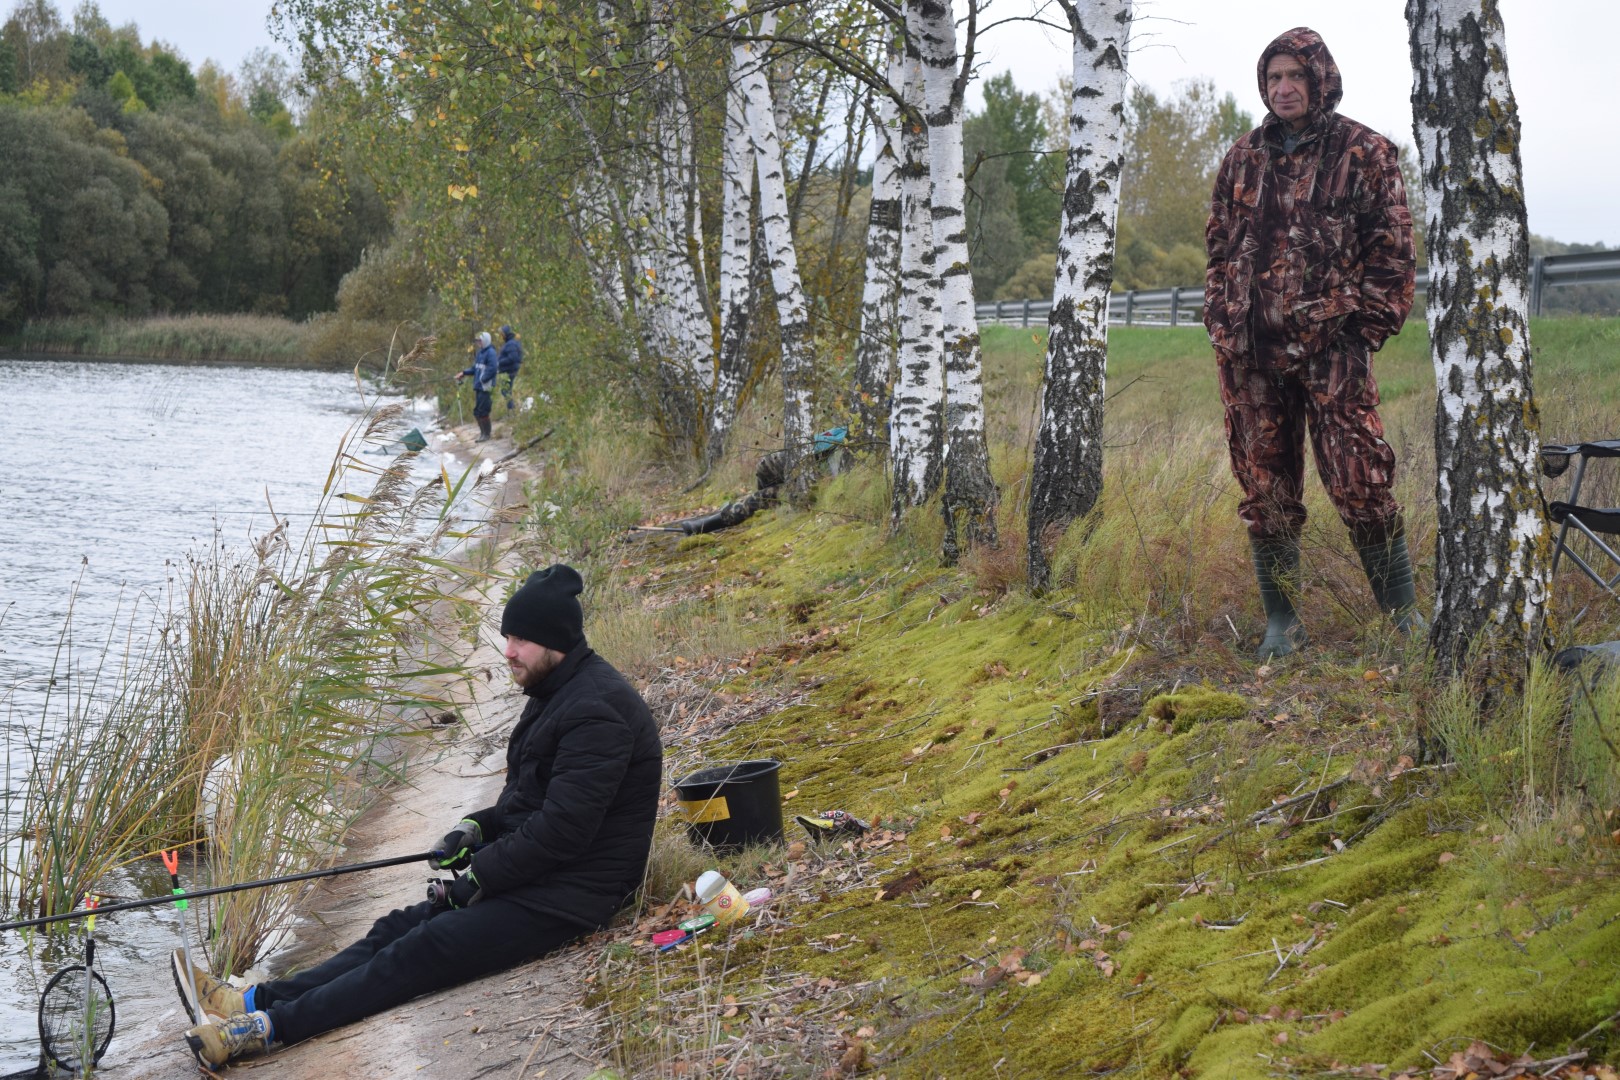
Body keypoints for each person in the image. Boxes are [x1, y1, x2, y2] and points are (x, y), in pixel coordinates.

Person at [176, 565, 663, 1068]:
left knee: (425, 946)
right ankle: (251, 999)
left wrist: (480, 876)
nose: (508, 651)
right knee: (395, 928)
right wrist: (474, 827)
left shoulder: (596, 711)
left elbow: (563, 830)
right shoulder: (555, 692)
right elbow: (527, 804)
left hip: (576, 895)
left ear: (555, 640)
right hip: (544, 878)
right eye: (507, 637)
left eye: (521, 639)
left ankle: (263, 1030)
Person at [1203, 27, 1418, 660]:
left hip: (1332, 349)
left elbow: (1393, 252)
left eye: (1295, 75)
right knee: (1264, 486)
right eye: (1273, 77)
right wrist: (1222, 318)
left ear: (1320, 79)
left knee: (1359, 478)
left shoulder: (1364, 151)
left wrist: (1361, 333)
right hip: (1249, 353)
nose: (1284, 88)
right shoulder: (1243, 157)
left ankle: (1403, 619)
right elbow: (1218, 247)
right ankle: (1283, 624)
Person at [454, 331, 500, 442]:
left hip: (486, 387)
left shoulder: (491, 353)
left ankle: (486, 435)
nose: (478, 343)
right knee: (477, 412)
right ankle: (483, 433)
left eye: (480, 341)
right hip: (479, 387)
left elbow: (493, 369)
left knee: (483, 411)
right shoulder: (480, 353)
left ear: (486, 341)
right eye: (478, 341)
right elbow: (475, 368)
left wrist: (483, 379)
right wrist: (463, 373)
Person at [496, 325, 524, 412]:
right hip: (509, 370)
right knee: (506, 391)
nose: (501, 336)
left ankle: (511, 410)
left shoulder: (511, 344)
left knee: (505, 391)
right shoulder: (511, 343)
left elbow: (512, 358)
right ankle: (511, 410)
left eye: (502, 334)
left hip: (509, 371)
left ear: (506, 334)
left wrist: (499, 362)